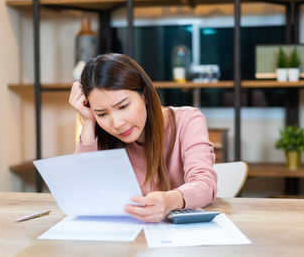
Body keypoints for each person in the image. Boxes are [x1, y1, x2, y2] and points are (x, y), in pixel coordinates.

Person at [69, 53, 217, 223]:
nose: (117, 123)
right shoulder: (102, 133)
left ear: (145, 94)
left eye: (123, 106)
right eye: (102, 114)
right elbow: (80, 192)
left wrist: (170, 201)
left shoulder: (187, 120)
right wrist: (88, 122)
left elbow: (206, 184)